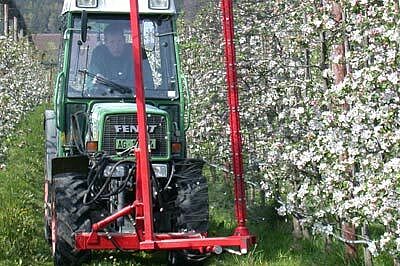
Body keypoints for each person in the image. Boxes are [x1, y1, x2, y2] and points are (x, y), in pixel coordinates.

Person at [88, 23, 153, 96]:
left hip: (135, 100)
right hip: (106, 100)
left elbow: (148, 85)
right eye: (112, 42)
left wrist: (108, 82)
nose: (116, 46)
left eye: (119, 41)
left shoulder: (137, 53)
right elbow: (91, 86)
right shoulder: (99, 54)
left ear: (124, 40)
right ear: (105, 43)